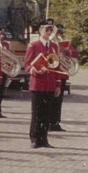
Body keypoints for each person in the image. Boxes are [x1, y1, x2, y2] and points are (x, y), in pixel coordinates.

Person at [24, 19, 62, 148]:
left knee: (47, 113)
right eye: (47, 29)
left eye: (51, 30)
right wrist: (35, 70)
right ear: (40, 30)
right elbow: (27, 65)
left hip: (50, 84)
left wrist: (58, 85)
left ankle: (44, 138)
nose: (49, 32)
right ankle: (34, 138)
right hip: (38, 83)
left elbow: (57, 67)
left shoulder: (54, 46)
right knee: (37, 113)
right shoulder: (33, 45)